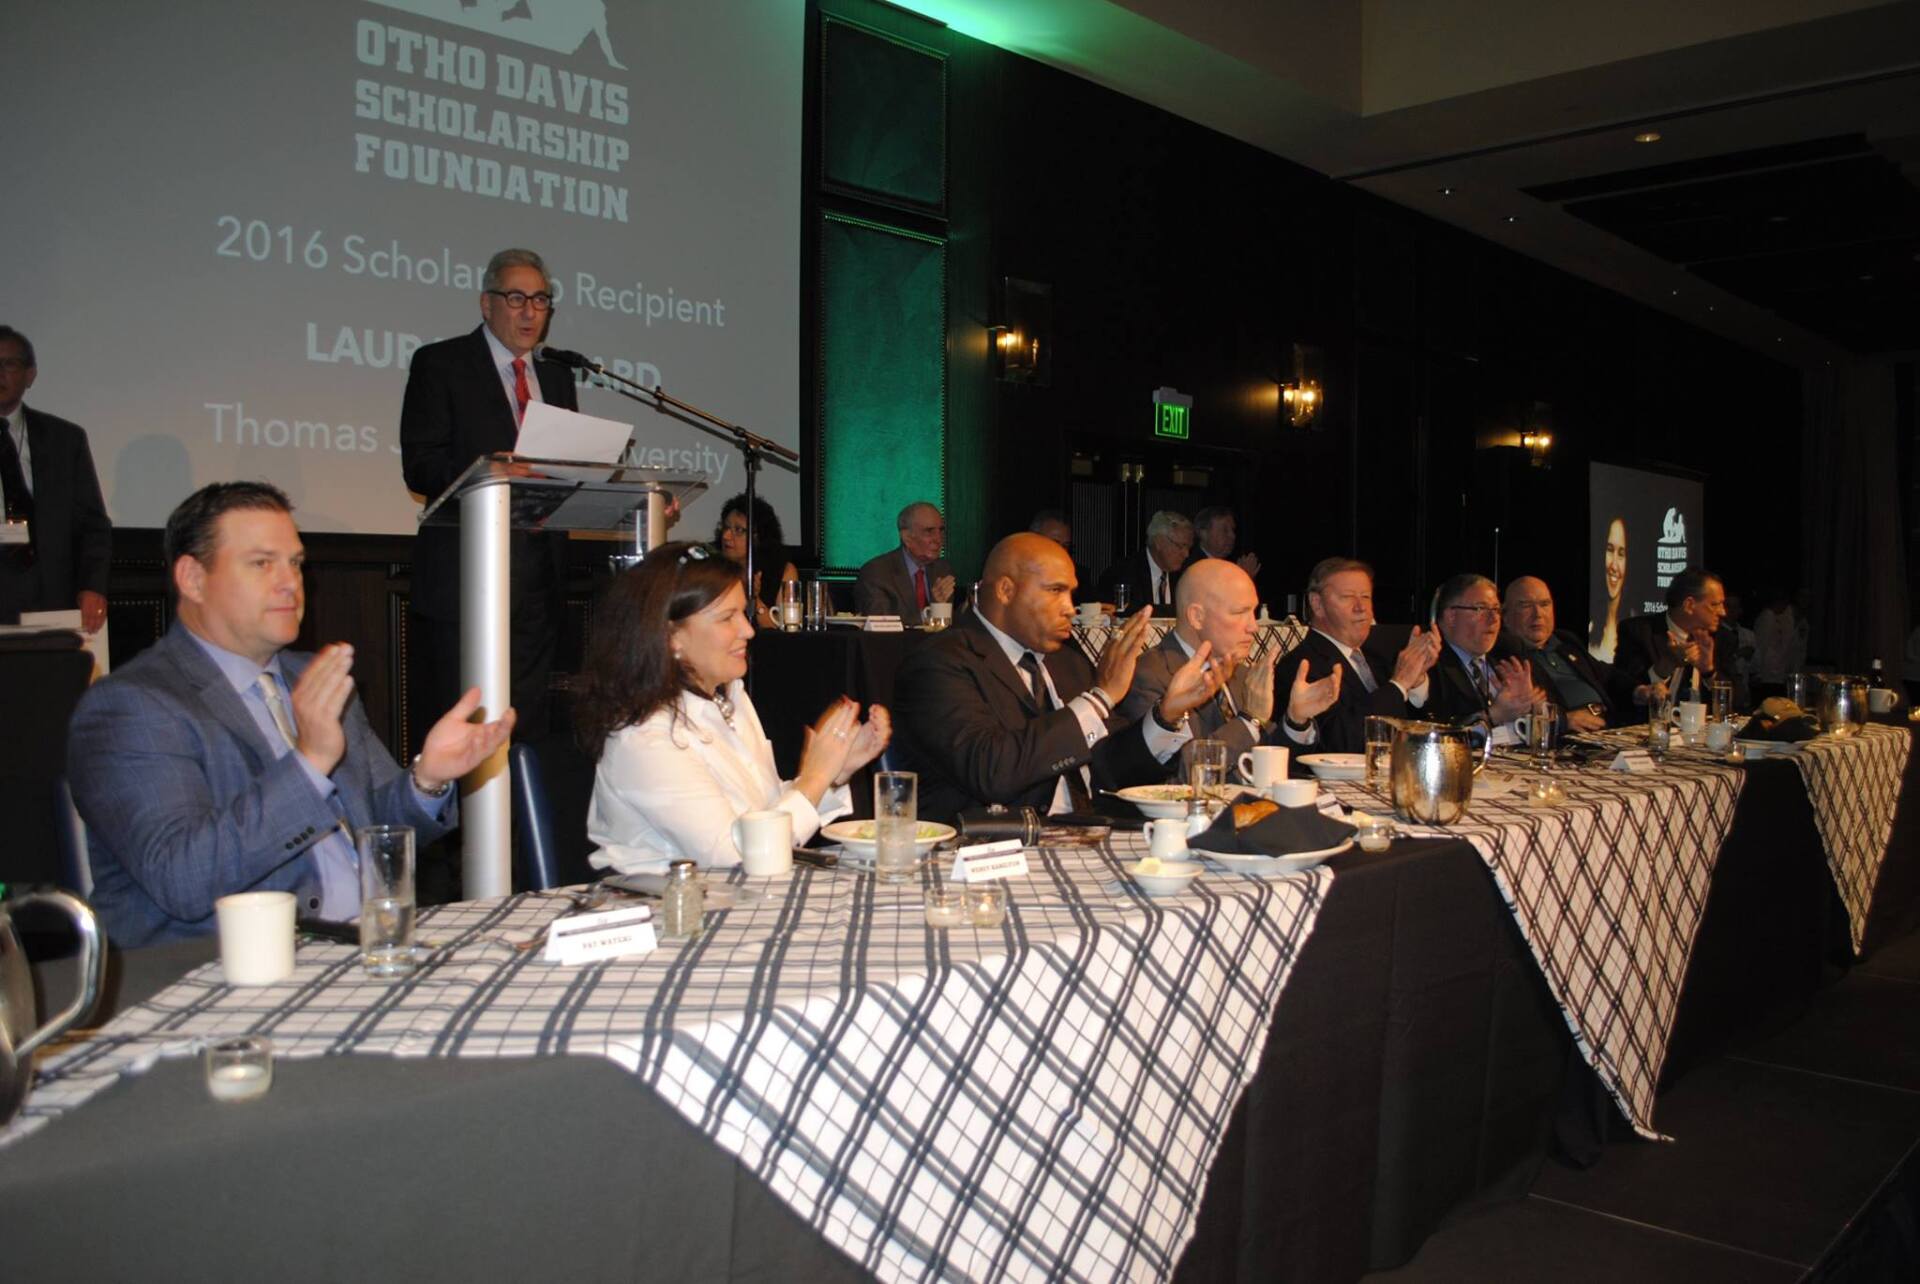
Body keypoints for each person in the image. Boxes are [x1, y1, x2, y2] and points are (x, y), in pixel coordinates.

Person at [67, 482, 513, 947]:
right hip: (219, 976)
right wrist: (309, 764)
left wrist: (427, 778)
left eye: (295, 563)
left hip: (364, 949)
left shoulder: (313, 678)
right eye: (262, 563)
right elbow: (185, 878)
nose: (290, 582)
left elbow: (375, 825)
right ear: (193, 579)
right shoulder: (132, 706)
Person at [578, 542, 888, 871]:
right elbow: (734, 856)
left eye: (743, 612)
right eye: (727, 617)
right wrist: (815, 776)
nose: (748, 630)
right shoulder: (644, 736)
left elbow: (759, 810)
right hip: (664, 909)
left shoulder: (729, 697)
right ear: (672, 637)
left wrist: (834, 773)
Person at [892, 532, 1222, 822]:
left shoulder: (1065, 660)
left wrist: (1164, 716)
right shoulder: (939, 662)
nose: (1069, 608)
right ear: (1006, 590)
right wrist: (1099, 698)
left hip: (1084, 836)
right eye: (1055, 591)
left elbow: (1109, 767)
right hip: (986, 852)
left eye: (1071, 593)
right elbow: (991, 771)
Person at [401, 248, 577, 742]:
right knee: (469, 730)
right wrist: (488, 472)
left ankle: (523, 822)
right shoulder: (441, 364)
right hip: (467, 580)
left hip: (539, 581)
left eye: (541, 300)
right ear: (486, 304)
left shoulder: (558, 377)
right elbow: (420, 465)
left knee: (528, 730)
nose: (529, 311)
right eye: (516, 297)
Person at [1115, 557, 1287, 761]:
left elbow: (1269, 758)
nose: (1254, 627)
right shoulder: (1148, 675)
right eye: (1239, 612)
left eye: (1254, 612)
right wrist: (1249, 721)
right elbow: (1176, 773)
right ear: (1197, 617)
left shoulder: (1241, 673)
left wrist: (1296, 723)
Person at [0, 326, 112, 631]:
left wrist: (93, 586)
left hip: (49, 596)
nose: (0, 374)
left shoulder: (64, 439)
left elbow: (92, 525)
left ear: (30, 375)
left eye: (9, 364)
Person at [1271, 557, 1440, 753]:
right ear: (1317, 604)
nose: (1361, 608)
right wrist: (1399, 683)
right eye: (1348, 597)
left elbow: (1422, 733)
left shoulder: (1378, 659)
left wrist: (1416, 681)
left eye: (1366, 597)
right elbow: (1338, 743)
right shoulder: (1301, 665)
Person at [1613, 568, 1742, 709]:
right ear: (1689, 605)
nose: (1723, 612)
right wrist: (1664, 667)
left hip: (1702, 728)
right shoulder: (1639, 632)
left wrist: (1709, 672)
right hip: (1655, 727)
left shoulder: (1722, 638)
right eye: (1715, 605)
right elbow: (1622, 692)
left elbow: (1739, 702)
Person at [1426, 574, 1543, 727]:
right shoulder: (1429, 662)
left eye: (1496, 609)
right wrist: (1492, 716)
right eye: (1481, 608)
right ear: (1452, 616)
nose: (1494, 619)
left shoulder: (1508, 651)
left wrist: (1532, 710)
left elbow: (1556, 711)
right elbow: (1430, 731)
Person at [1501, 576, 1616, 731]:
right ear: (1505, 616)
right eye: (1526, 605)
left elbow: (1604, 673)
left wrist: (1640, 689)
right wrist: (1563, 720)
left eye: (1544, 604)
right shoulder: (1506, 654)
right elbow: (1522, 711)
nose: (1538, 614)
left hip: (1607, 725)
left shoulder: (1564, 640)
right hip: (1567, 736)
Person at [853, 500, 955, 617]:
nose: (938, 539)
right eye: (929, 531)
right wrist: (932, 612)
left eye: (941, 530)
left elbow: (949, 626)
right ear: (907, 537)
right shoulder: (877, 573)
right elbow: (881, 628)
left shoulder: (942, 570)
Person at [715, 491, 799, 628]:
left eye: (738, 530)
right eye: (725, 527)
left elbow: (784, 629)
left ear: (760, 536)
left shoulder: (783, 570)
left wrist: (755, 599)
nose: (726, 536)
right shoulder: (713, 567)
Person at [1095, 510, 1192, 610]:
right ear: (1159, 542)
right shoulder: (1122, 575)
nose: (1186, 554)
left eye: (1189, 547)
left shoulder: (1184, 576)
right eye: (1181, 546)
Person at [1588, 515, 1627, 662]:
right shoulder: (1590, 627)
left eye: (1621, 554)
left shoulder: (1635, 628)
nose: (1614, 565)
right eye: (1610, 550)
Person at [1191, 505, 1262, 580]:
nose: (1233, 536)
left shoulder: (1228, 563)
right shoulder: (1194, 567)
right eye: (1225, 530)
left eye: (1233, 530)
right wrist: (1243, 577)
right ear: (1203, 533)